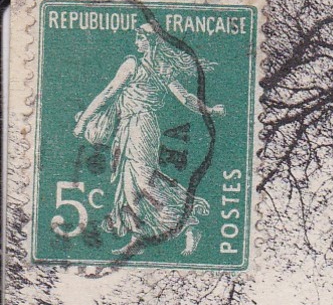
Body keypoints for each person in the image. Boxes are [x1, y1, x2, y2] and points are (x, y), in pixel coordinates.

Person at [72, 23, 225, 257]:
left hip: (142, 127)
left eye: (140, 39)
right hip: (127, 128)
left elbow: (184, 98)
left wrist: (210, 110)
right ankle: (139, 237)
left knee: (144, 182)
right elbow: (109, 93)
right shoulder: (141, 65)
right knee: (130, 188)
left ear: (151, 41)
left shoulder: (149, 67)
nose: (136, 43)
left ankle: (189, 219)